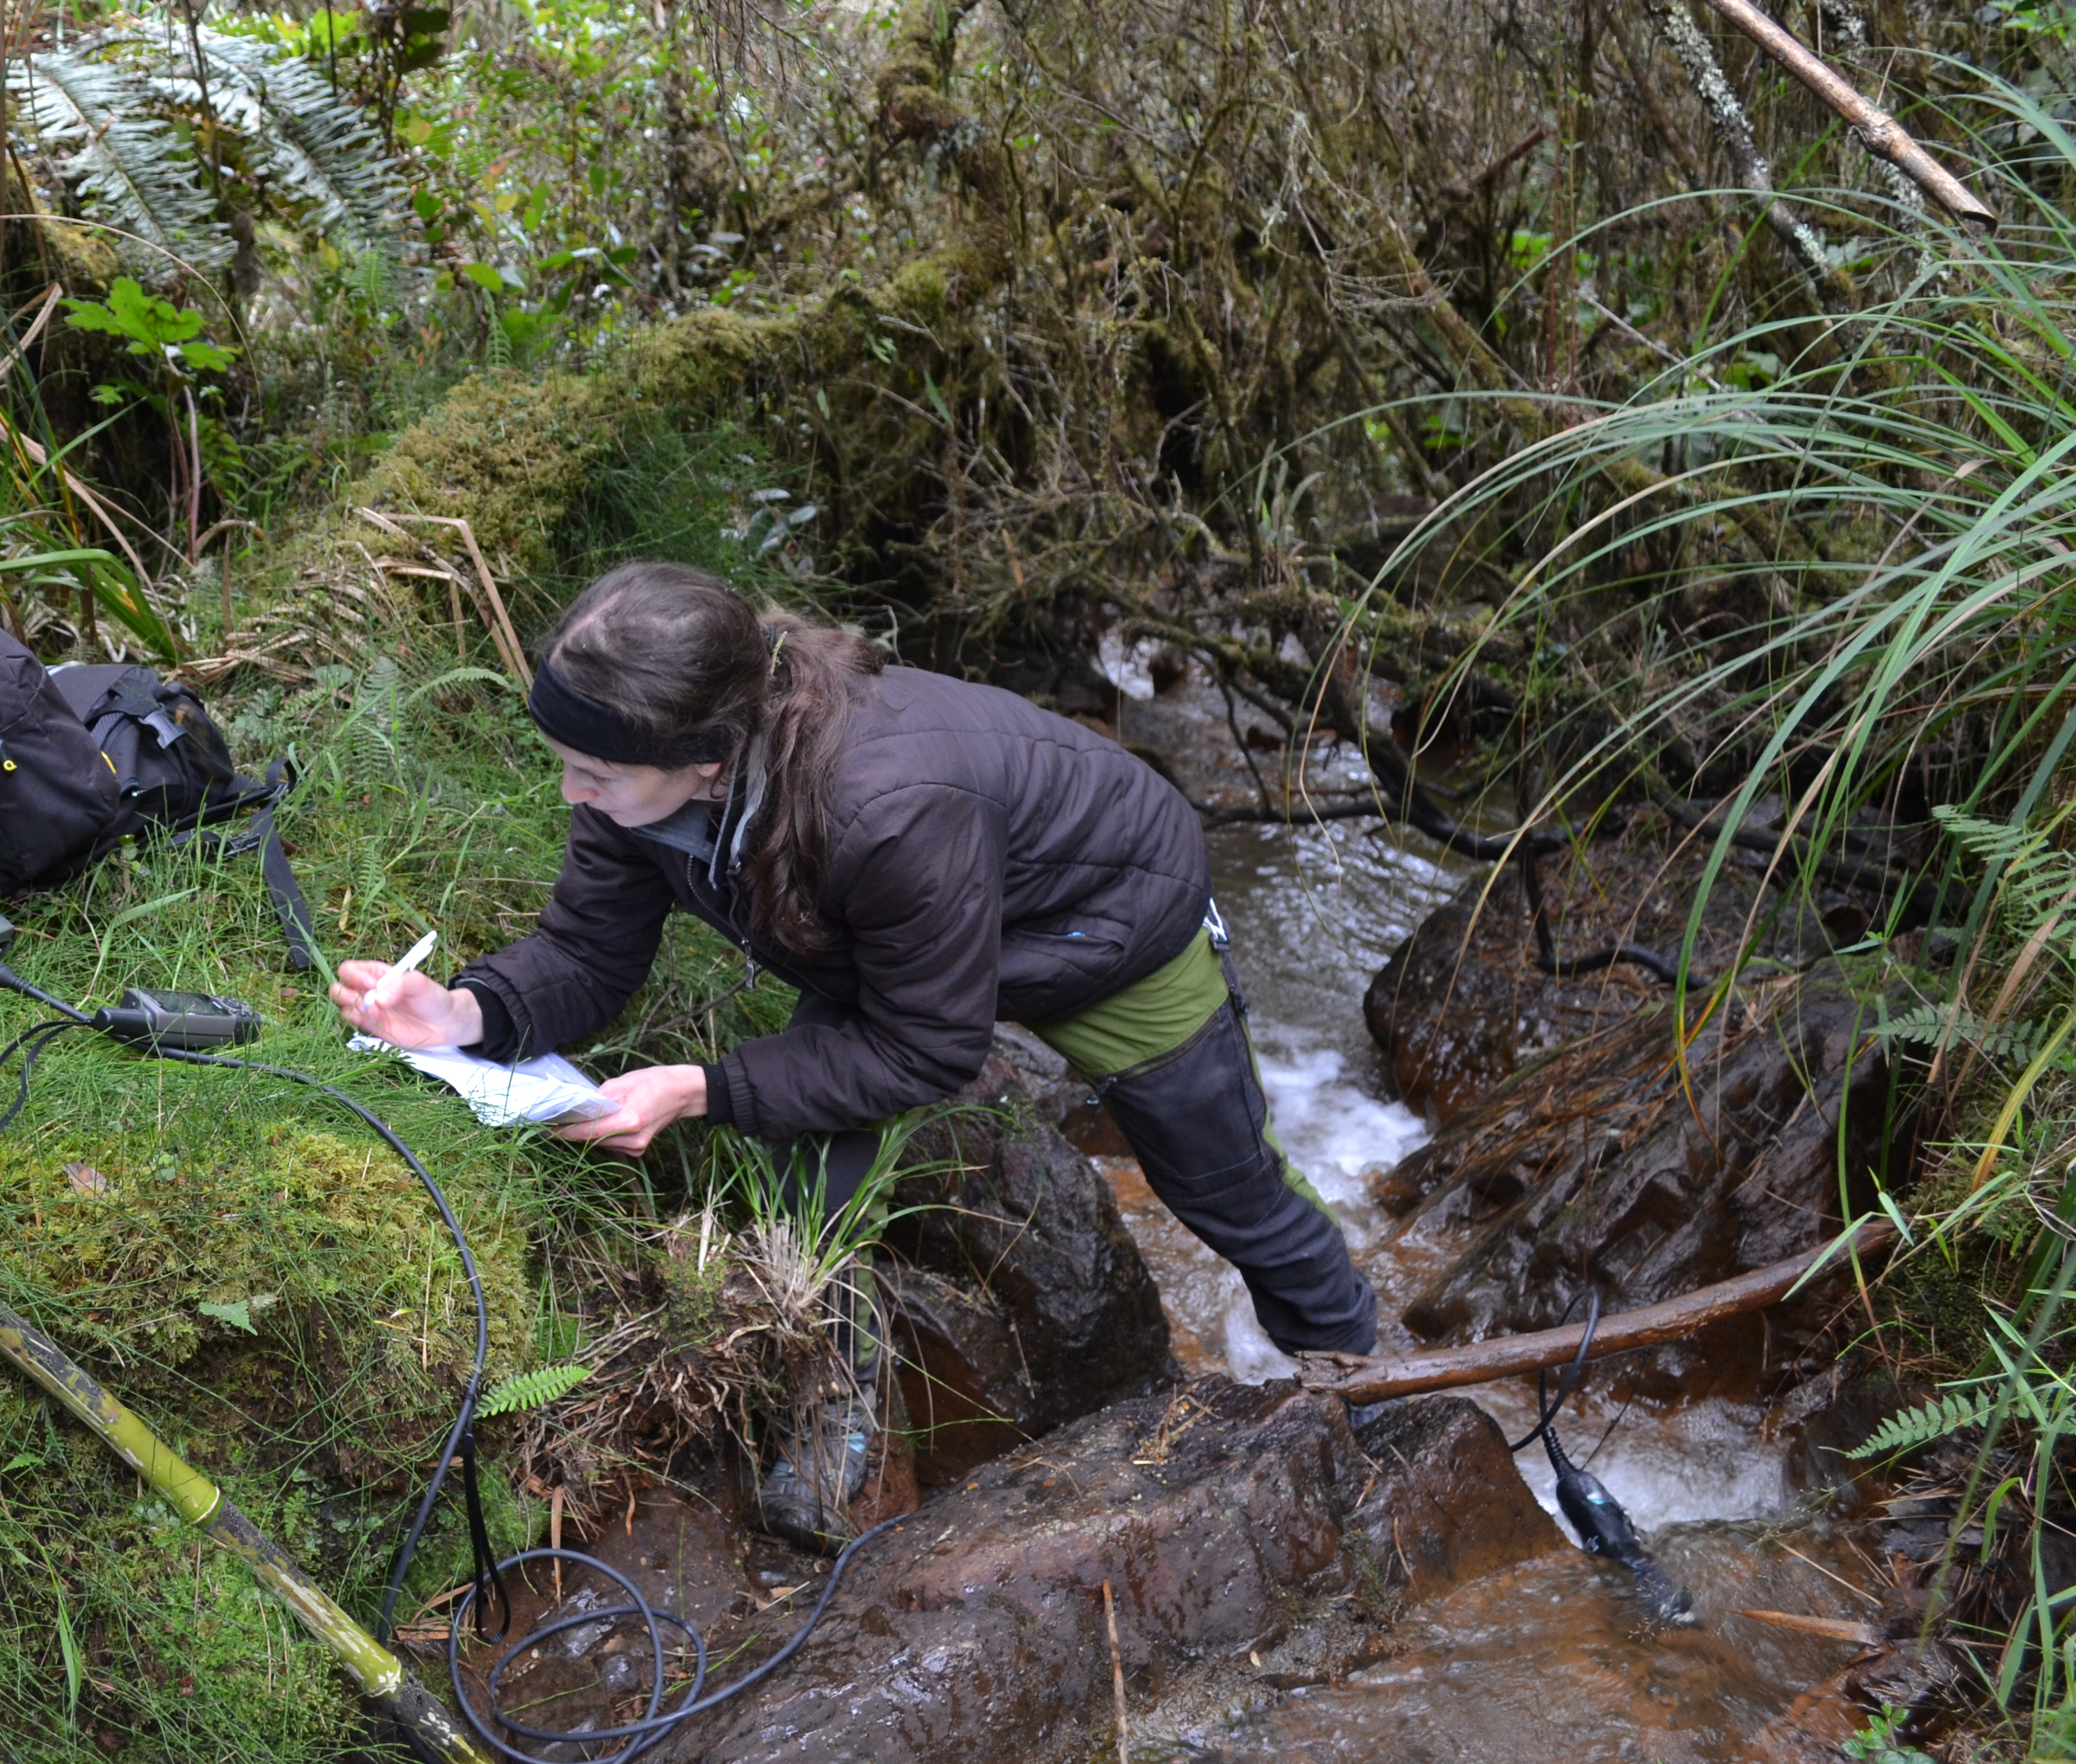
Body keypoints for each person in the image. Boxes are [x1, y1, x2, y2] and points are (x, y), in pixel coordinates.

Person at [330, 561, 1379, 1545]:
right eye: (568, 765)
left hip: (1102, 929)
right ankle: (841, 1413)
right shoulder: (641, 768)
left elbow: (925, 1048)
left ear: (708, 758)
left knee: (1226, 1190)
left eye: (593, 773)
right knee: (802, 1169)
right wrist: (465, 1012)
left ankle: (1357, 1385)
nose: (571, 793)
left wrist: (705, 1088)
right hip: (894, 937)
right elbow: (587, 952)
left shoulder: (883, 802)